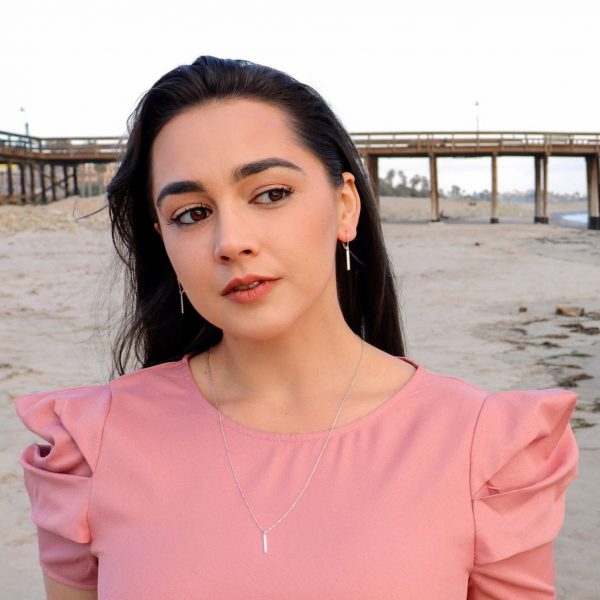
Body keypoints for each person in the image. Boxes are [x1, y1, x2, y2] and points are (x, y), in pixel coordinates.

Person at [15, 56, 578, 600]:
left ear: (344, 206)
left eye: (271, 194)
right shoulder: (89, 450)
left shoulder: (485, 449)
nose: (230, 240)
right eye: (192, 212)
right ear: (164, 241)